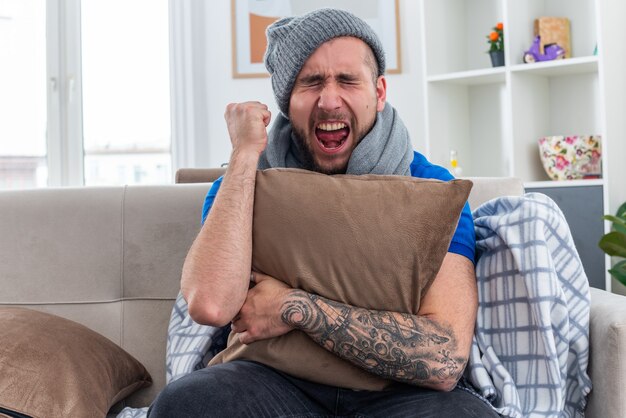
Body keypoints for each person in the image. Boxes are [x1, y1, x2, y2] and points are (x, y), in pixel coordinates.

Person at [148, 8, 499, 418]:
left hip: (401, 394)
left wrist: (293, 308)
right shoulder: (241, 187)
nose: (329, 101)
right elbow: (210, 305)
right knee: (186, 405)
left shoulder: (431, 188)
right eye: (310, 82)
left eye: (348, 80)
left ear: (379, 92)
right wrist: (244, 154)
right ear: (286, 100)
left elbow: (443, 359)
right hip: (269, 384)